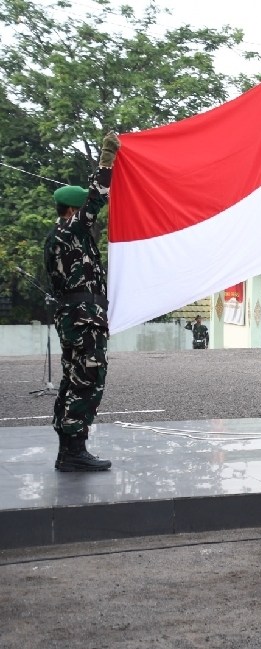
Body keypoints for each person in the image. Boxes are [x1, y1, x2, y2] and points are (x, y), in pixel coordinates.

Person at [44, 132, 119, 472]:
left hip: (74, 317)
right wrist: (107, 161)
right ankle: (74, 450)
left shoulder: (60, 236)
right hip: (84, 318)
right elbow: (96, 197)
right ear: (73, 210)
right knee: (88, 379)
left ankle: (69, 449)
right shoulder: (70, 231)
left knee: (73, 379)